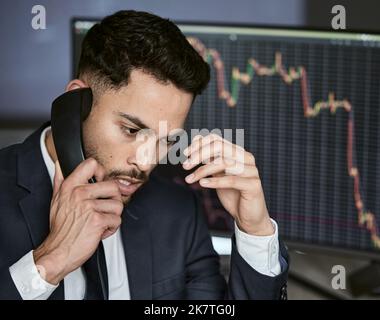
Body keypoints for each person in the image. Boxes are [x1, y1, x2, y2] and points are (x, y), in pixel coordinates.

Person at [0, 10, 288, 300]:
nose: (146, 162)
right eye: (131, 129)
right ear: (75, 103)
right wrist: (49, 263)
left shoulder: (178, 211)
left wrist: (255, 231)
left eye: (166, 140)